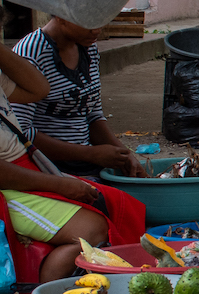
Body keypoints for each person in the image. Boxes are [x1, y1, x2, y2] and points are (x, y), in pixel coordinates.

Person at [0, 40, 148, 294]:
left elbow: (38, 89)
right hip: (8, 187)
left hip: (24, 173)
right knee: (92, 230)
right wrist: (60, 185)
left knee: (119, 208)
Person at [13, 9, 148, 178]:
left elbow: (92, 113)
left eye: (101, 22)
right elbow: (20, 131)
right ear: (62, 16)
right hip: (46, 168)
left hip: (85, 162)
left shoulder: (88, 47)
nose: (97, 30)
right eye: (89, 23)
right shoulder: (30, 54)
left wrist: (124, 155)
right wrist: (90, 154)